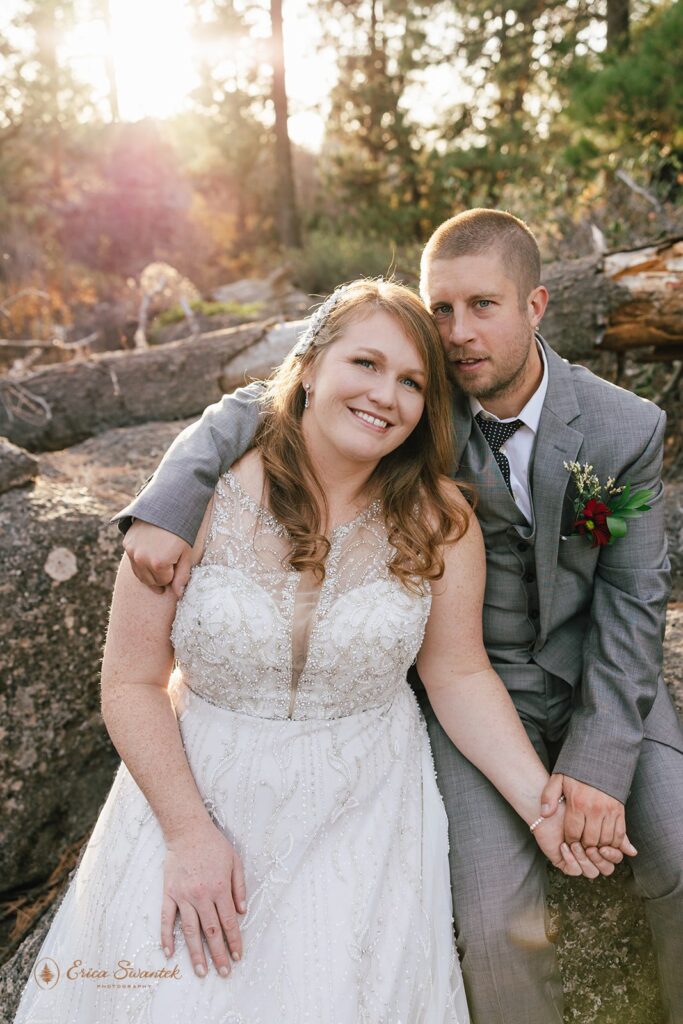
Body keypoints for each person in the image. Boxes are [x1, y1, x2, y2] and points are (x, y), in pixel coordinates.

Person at [114, 212, 683, 1024]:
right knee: (491, 923)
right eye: (440, 309)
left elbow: (630, 603)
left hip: (601, 681)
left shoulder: (622, 430)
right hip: (472, 690)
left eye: (482, 305)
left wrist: (596, 763)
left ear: (536, 306)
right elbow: (266, 400)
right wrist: (175, 494)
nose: (456, 333)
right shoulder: (407, 400)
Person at [14, 279, 602, 1024]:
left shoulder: (440, 519)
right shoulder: (196, 491)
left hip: (363, 810)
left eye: (412, 381)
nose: (385, 395)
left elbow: (456, 674)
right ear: (311, 365)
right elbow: (131, 681)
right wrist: (190, 835)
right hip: (196, 794)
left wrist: (537, 803)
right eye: (364, 363)